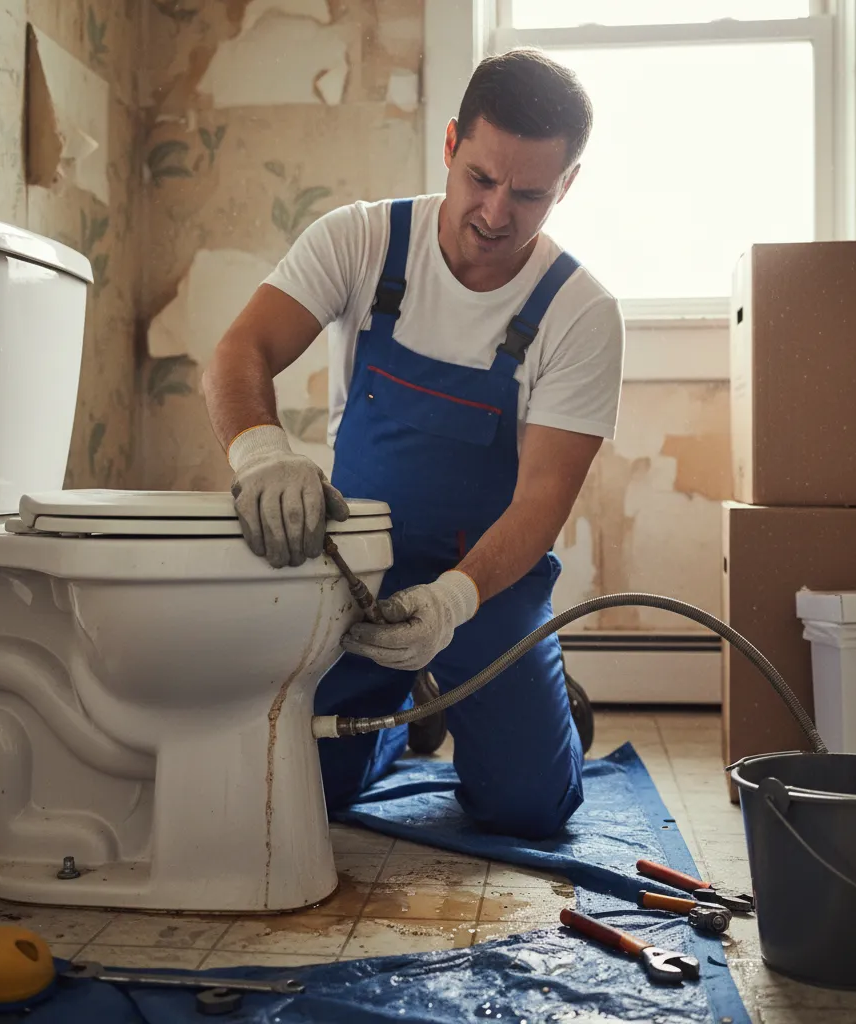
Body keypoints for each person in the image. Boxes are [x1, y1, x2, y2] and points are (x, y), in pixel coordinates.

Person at [202, 48, 625, 840]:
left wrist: (451, 601)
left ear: (566, 185)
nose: (497, 213)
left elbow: (541, 503)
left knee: (527, 807)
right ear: (451, 144)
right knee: (289, 788)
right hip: (354, 568)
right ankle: (402, 721)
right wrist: (262, 453)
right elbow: (238, 352)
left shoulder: (581, 312)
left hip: (488, 587)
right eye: (482, 179)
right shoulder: (361, 240)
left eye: (530, 194)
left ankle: (534, 704)